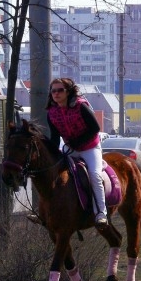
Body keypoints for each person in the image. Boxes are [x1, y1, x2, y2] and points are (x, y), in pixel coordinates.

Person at [45, 78, 108, 227]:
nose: (56, 93)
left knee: (94, 175)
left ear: (68, 92)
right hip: (70, 150)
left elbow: (95, 128)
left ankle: (101, 213)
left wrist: (77, 143)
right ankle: (46, 211)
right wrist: (50, 152)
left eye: (60, 90)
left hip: (90, 149)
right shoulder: (51, 113)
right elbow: (54, 138)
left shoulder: (81, 106)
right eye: (53, 91)